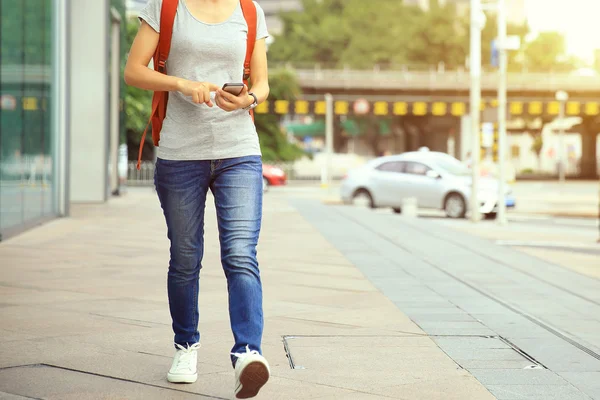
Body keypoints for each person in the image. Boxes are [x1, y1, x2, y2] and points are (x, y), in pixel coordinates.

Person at [124, 0, 270, 398]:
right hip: (180, 152)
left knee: (241, 252)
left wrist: (248, 101)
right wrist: (181, 84)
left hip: (238, 149)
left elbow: (262, 84)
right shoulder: (166, 6)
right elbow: (134, 71)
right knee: (186, 256)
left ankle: (247, 355)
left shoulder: (249, 10)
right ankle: (185, 346)